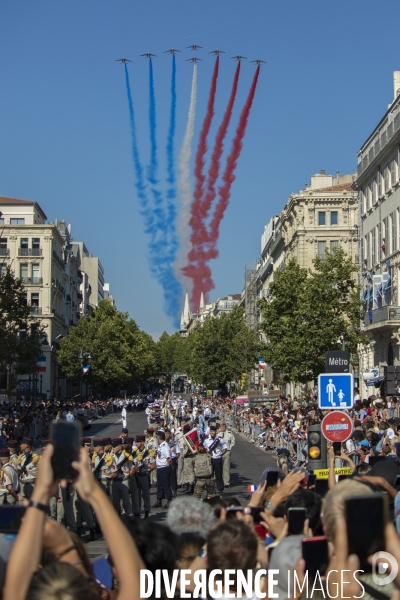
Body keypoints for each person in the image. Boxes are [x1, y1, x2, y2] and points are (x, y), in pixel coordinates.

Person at [110, 438, 134, 521]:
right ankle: (117, 519)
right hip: (115, 481)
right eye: (112, 446)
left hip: (124, 480)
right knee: (115, 502)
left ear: (120, 446)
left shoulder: (126, 456)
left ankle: (130, 518)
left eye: (115, 446)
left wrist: (128, 477)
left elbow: (132, 468)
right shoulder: (111, 456)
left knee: (126, 502)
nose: (113, 448)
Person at [133, 434, 154, 518]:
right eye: (136, 442)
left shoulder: (148, 452)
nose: (137, 443)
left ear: (142, 442)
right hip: (136, 476)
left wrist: (147, 467)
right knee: (136, 496)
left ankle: (146, 511)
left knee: (146, 495)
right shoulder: (134, 452)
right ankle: (137, 511)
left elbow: (153, 465)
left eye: (138, 442)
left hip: (145, 475)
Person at [204, 425, 227, 495]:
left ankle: (220, 490)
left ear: (215, 432)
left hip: (217, 459)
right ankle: (211, 490)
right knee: (210, 475)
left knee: (218, 475)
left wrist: (221, 454)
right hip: (210, 459)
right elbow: (204, 449)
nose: (212, 433)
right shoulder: (206, 441)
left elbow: (225, 448)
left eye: (213, 431)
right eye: (211, 431)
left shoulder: (220, 440)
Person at [152, 430, 172, 509]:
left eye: (157, 437)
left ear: (159, 438)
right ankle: (159, 500)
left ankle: (169, 500)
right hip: (160, 468)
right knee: (159, 485)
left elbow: (169, 458)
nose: (156, 438)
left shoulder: (165, 446)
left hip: (164, 468)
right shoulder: (160, 446)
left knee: (165, 485)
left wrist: (170, 466)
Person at [217, 422, 235, 488]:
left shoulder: (229, 434)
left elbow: (233, 441)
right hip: (219, 452)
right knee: (219, 468)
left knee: (226, 468)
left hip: (227, 452)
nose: (222, 428)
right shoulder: (217, 434)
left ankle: (226, 482)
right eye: (221, 427)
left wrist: (229, 448)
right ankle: (219, 481)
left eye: (223, 427)